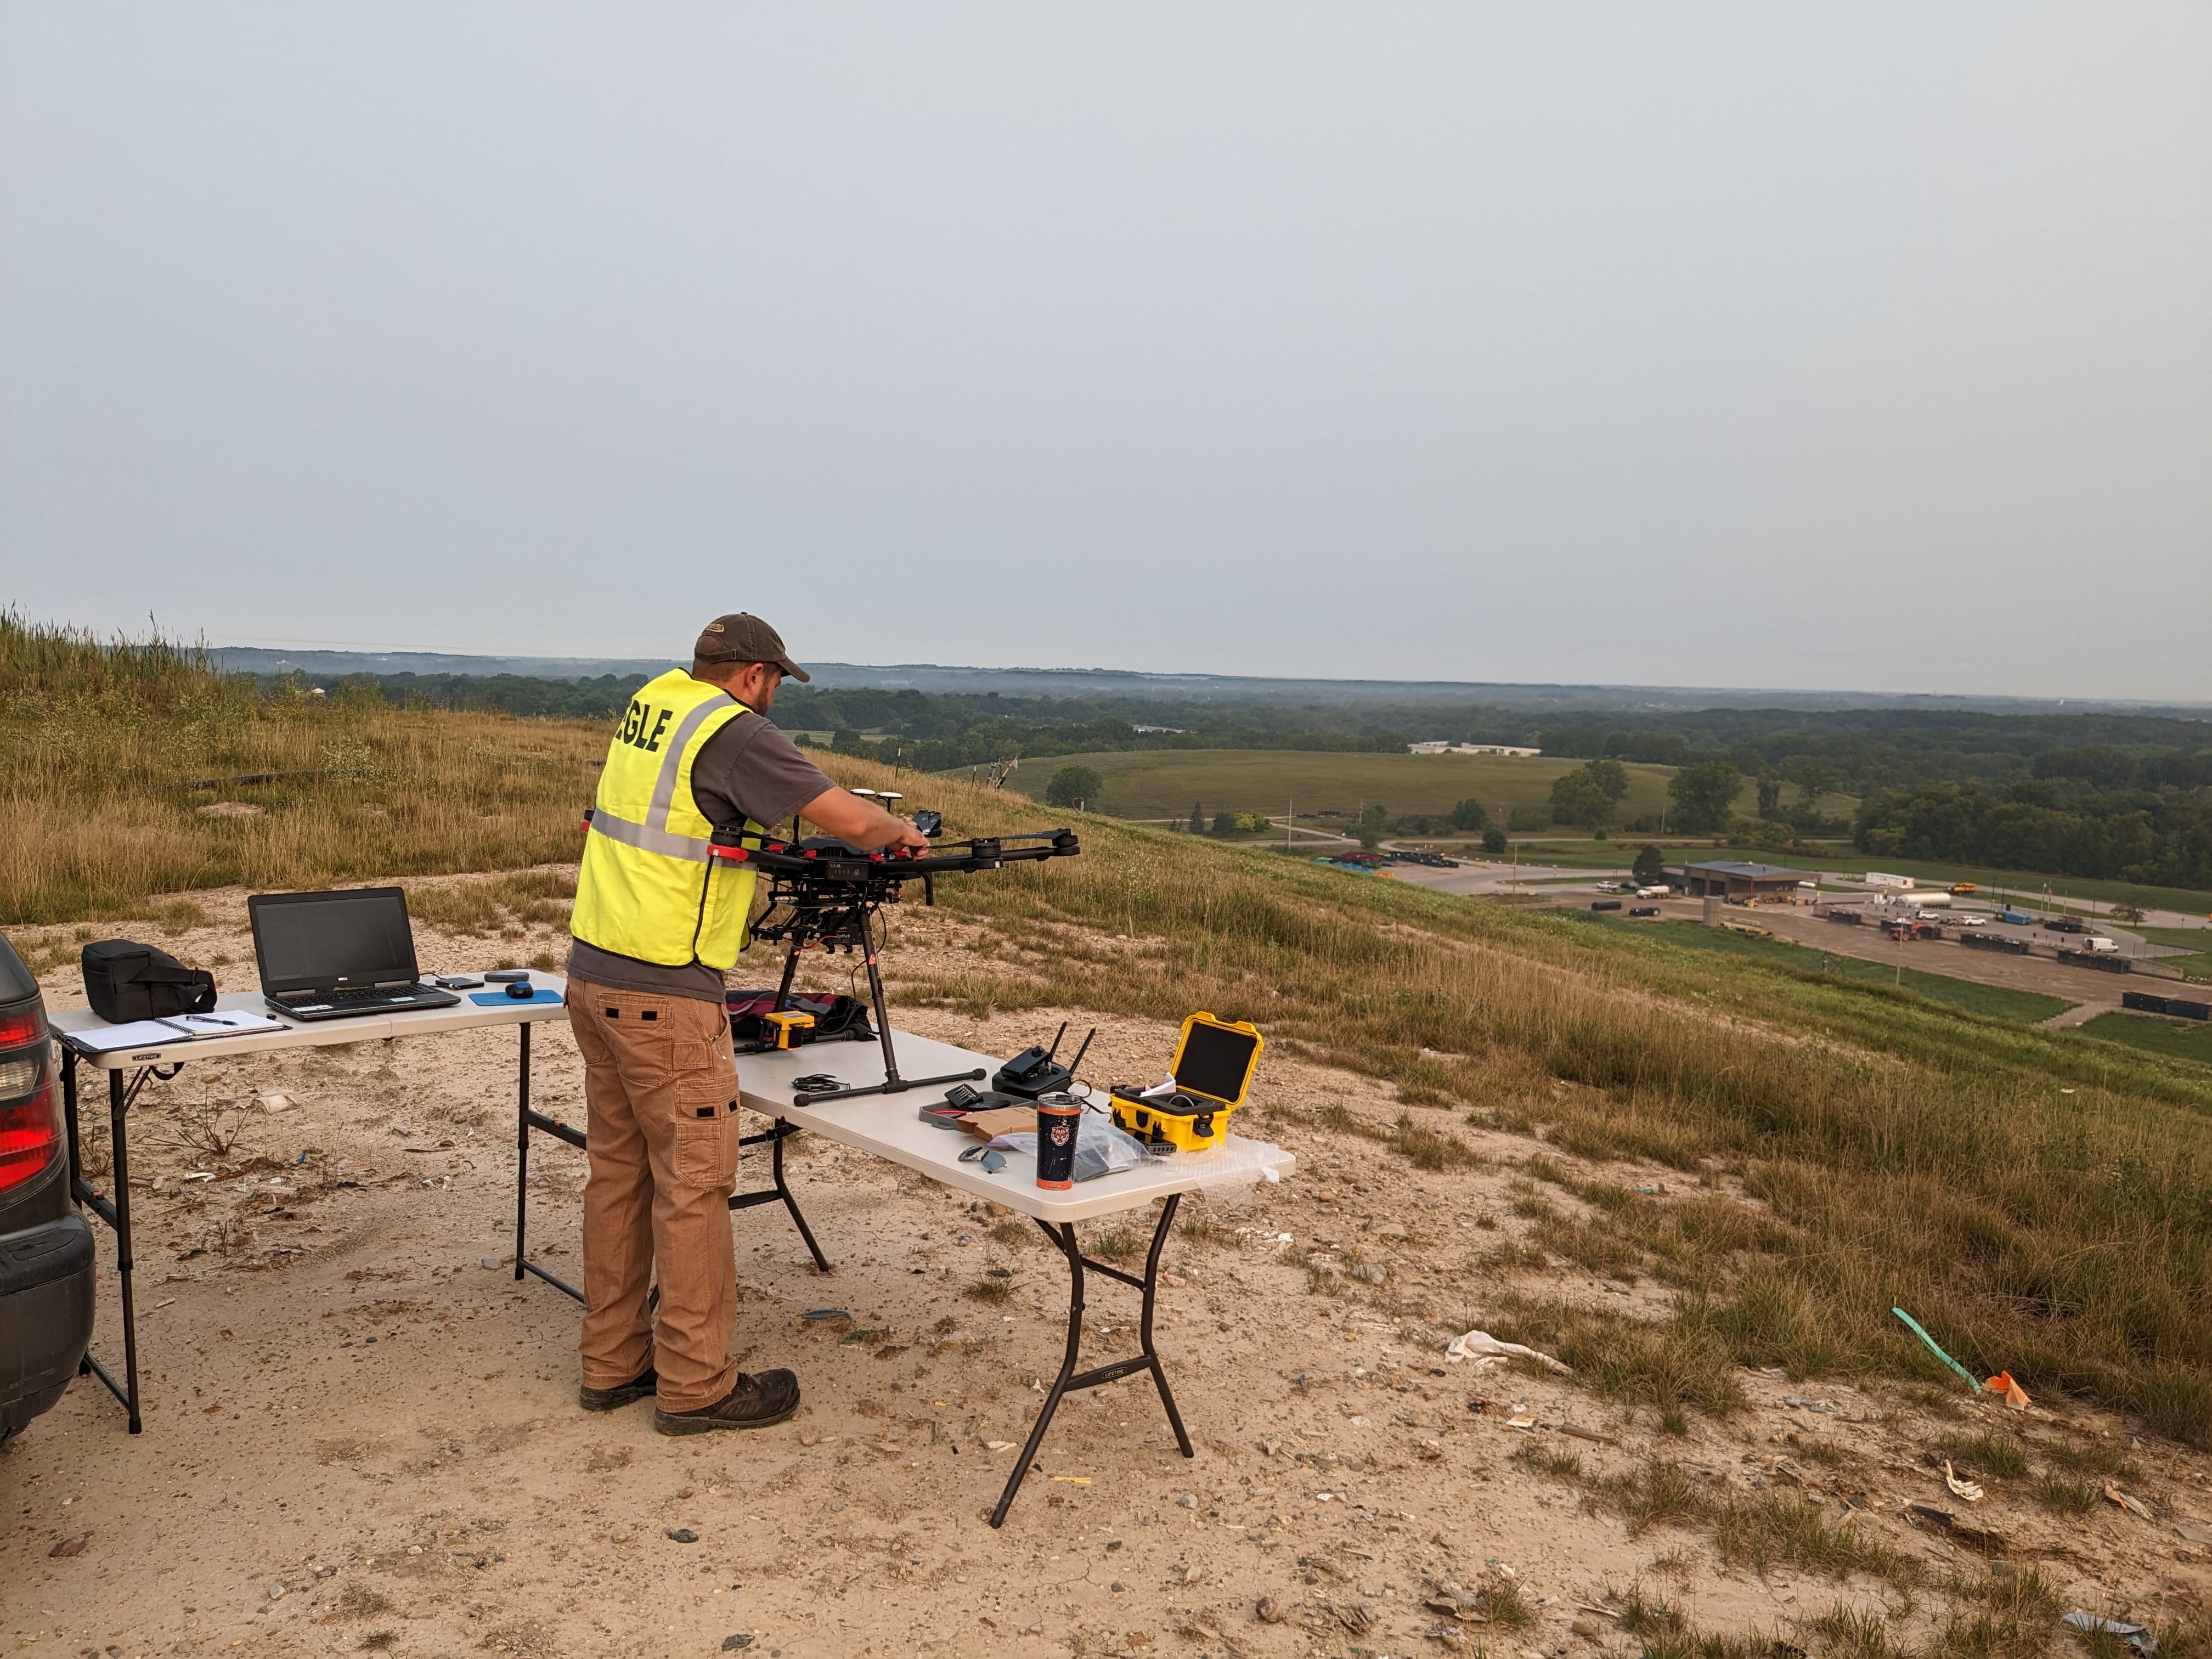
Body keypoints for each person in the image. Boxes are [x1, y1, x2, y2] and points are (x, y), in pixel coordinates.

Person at [563, 612, 927, 1435]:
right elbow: (854, 823)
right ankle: (696, 1385)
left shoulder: (652, 707)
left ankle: (612, 1365)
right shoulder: (733, 731)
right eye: (774, 686)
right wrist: (902, 832)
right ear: (757, 675)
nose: (772, 700)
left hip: (595, 975)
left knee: (621, 1177)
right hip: (666, 993)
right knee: (694, 1186)